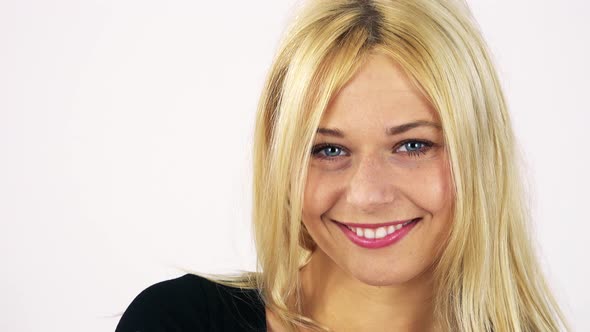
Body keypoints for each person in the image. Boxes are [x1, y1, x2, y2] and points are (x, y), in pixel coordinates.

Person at [117, 0, 569, 331]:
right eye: (328, 150)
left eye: (412, 145)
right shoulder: (178, 322)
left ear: (479, 155)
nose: (368, 195)